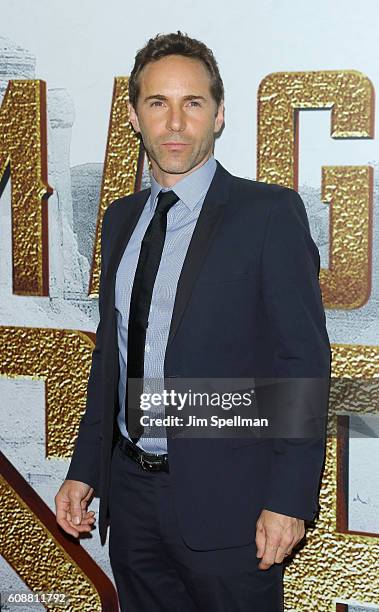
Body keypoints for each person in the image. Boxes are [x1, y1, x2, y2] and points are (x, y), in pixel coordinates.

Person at [55, 31, 331, 611]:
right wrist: (87, 471)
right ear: (134, 116)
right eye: (158, 104)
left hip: (233, 507)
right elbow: (113, 355)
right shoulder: (121, 219)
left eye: (193, 103)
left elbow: (302, 363)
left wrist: (289, 498)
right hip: (131, 498)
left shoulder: (268, 214)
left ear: (219, 114)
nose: (175, 122)